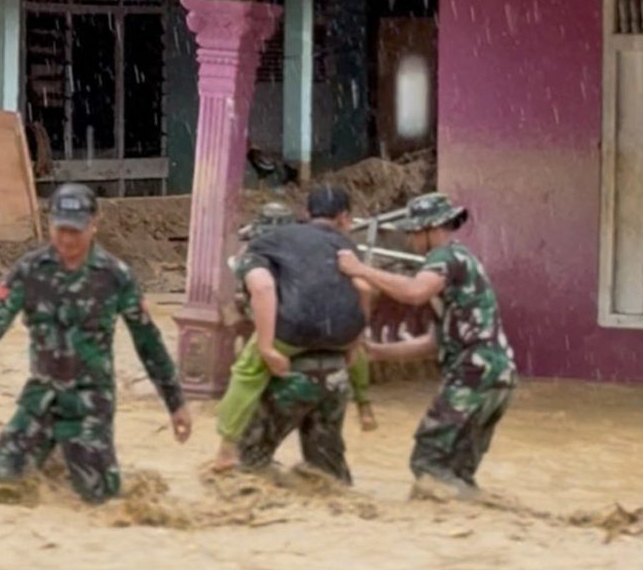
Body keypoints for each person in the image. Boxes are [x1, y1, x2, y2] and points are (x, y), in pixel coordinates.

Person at [0, 183, 192, 503]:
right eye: (61, 230)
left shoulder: (115, 276)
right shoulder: (30, 270)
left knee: (102, 504)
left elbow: (148, 341)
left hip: (89, 404)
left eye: (75, 231)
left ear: (94, 225)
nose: (67, 240)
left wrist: (175, 403)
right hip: (41, 397)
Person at [337, 193, 517, 493]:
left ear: (431, 229)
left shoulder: (444, 257)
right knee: (456, 470)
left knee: (428, 462)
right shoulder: (463, 263)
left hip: (473, 373)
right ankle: (474, 511)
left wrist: (361, 269)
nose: (411, 240)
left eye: (414, 233)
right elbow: (434, 342)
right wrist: (378, 352)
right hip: (499, 377)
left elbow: (414, 292)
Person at [212, 185, 372, 471]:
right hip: (340, 346)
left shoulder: (263, 247)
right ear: (344, 217)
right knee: (327, 469)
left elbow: (262, 288)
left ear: (307, 214)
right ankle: (365, 406)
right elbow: (364, 289)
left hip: (293, 336)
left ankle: (226, 449)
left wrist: (266, 347)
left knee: (248, 370)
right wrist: (352, 341)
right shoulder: (345, 245)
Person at [238, 350, 356, 484]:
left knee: (251, 455)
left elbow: (262, 348)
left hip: (292, 374)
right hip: (336, 375)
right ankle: (335, 487)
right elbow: (353, 355)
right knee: (326, 457)